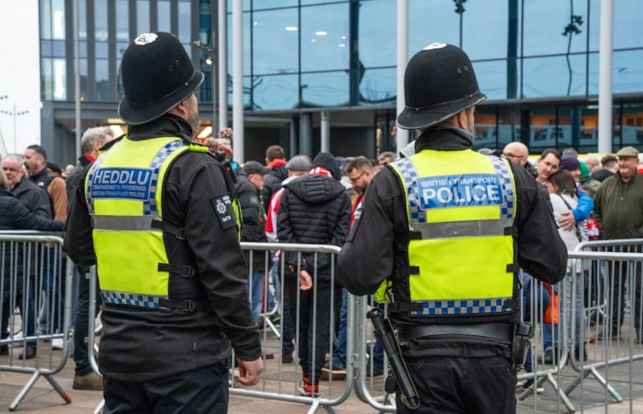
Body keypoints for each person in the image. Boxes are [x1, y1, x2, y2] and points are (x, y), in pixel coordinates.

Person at [337, 44, 567, 414]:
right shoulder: (511, 177)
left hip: (421, 364)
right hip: (494, 359)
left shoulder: (394, 181)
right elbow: (552, 265)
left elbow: (358, 275)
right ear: (465, 114)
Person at [65, 32, 262, 413]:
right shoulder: (194, 167)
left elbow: (80, 250)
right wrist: (247, 346)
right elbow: (222, 269)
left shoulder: (98, 167)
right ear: (181, 104)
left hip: (120, 352)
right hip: (187, 360)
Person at [278, 152, 351, 396]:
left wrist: (301, 266)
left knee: (300, 324)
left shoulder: (289, 191)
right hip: (327, 272)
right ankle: (313, 380)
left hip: (295, 271)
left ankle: (306, 376)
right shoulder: (341, 194)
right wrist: (315, 263)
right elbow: (340, 239)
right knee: (320, 327)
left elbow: (284, 233)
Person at [0, 168, 65, 359]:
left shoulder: (27, 194)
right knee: (24, 302)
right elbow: (37, 223)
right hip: (15, 263)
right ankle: (28, 344)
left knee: (6, 302)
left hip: (12, 263)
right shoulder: (10, 203)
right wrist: (65, 225)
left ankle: (3, 340)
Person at [65, 127, 112, 391]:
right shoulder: (86, 173)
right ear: (96, 147)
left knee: (92, 305)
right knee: (89, 306)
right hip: (90, 253)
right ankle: (84, 366)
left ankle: (87, 362)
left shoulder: (84, 172)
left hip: (94, 251)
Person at [263, 155, 311, 364]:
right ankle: (306, 351)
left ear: (290, 171)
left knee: (287, 306)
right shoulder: (314, 191)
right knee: (307, 307)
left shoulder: (280, 194)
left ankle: (286, 349)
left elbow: (270, 228)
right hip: (311, 257)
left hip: (284, 256)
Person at [593, 146, 643, 343]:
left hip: (638, 246)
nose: (623, 163)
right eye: (620, 159)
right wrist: (603, 227)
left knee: (639, 289)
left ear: (636, 162)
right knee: (614, 289)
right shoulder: (607, 184)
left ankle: (641, 330)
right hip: (613, 244)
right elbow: (596, 209)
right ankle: (612, 328)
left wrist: (639, 233)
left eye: (627, 159)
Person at [236, 161, 270, 322]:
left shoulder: (239, 184)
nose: (263, 182)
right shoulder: (248, 189)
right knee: (253, 299)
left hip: (244, 253)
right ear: (252, 177)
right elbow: (251, 223)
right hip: (252, 255)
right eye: (261, 178)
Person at [23, 144, 68, 221]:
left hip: (47, 227)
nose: (24, 161)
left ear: (40, 160)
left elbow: (61, 215)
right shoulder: (25, 181)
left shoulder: (56, 182)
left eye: (28, 158)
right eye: (23, 158)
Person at [262, 145, 288, 211]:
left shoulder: (264, 178)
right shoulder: (291, 175)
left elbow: (264, 205)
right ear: (284, 159)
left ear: (267, 160)